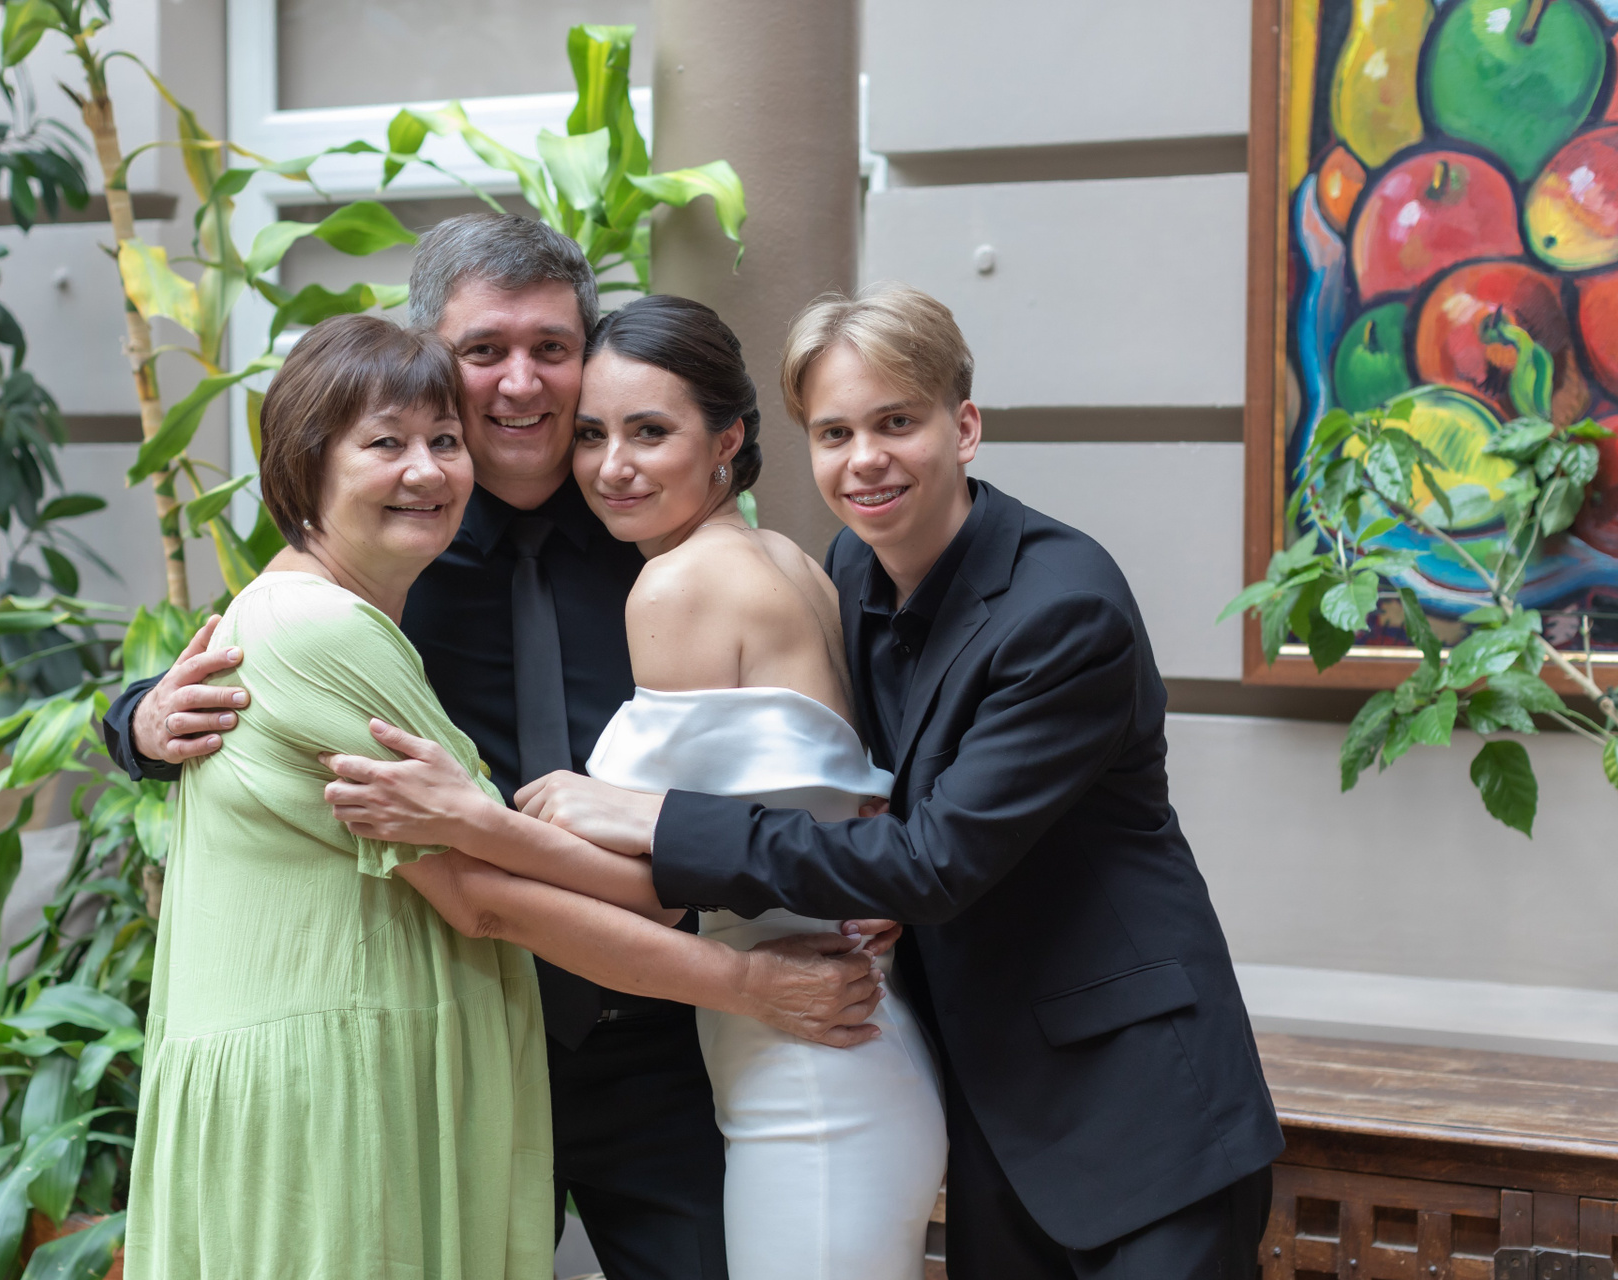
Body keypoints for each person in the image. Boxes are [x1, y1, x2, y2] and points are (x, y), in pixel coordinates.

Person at [103, 214, 880, 1279]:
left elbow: (807, 731)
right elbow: (257, 659)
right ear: (434, 358)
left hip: (661, 1028)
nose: (521, 382)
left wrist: (869, 858)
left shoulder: (654, 529)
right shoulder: (389, 536)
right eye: (484, 351)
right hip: (459, 1031)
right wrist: (142, 722)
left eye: (551, 348)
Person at [479, 285, 1286, 1277]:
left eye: (896, 422)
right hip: (977, 1092)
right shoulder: (849, 572)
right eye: (836, 432)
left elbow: (931, 861)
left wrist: (652, 817)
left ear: (965, 427)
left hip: (1136, 1107)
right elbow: (865, 802)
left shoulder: (1064, 606)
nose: (865, 458)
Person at [323, 294, 949, 1280]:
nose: (612, 465)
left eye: (650, 432)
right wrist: (145, 722)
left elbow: (660, 889)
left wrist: (467, 819)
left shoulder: (673, 582)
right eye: (593, 435)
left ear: (727, 440)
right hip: (821, 1037)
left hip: (797, 1047)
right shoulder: (792, 557)